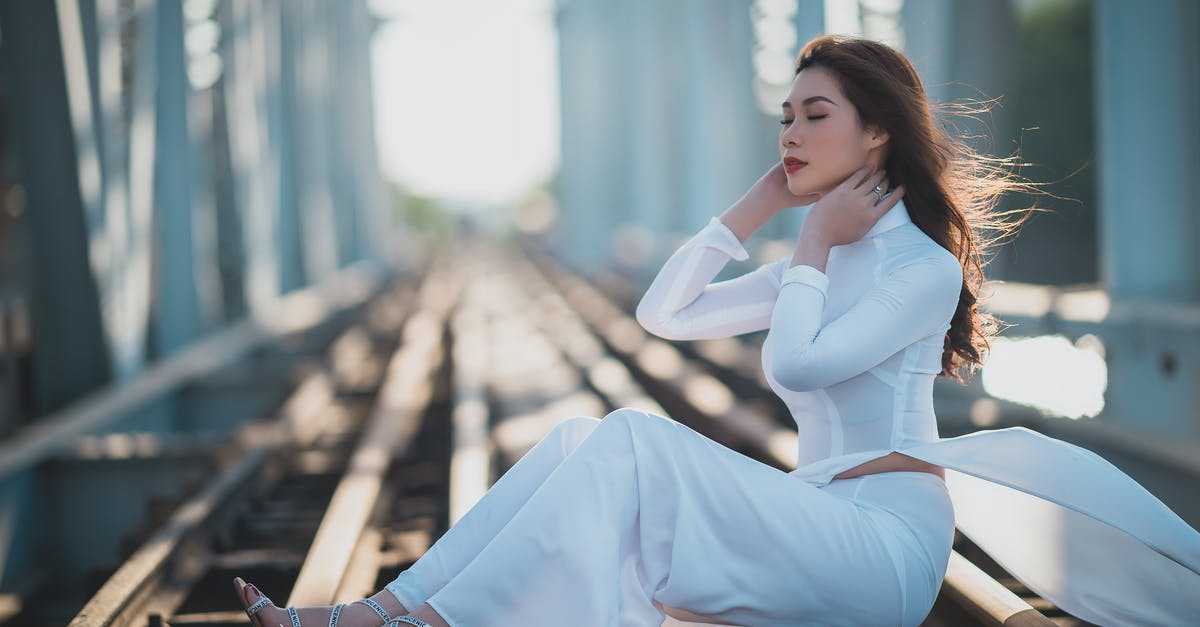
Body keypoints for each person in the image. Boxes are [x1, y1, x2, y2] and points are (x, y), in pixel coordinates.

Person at [234, 34, 1200, 627]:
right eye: (783, 115)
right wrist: (752, 210)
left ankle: (427, 625)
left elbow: (796, 356)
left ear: (875, 134)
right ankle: (384, 612)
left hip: (885, 555)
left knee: (638, 445)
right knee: (581, 438)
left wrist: (813, 240)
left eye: (814, 114)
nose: (788, 131)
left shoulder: (920, 267)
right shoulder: (821, 258)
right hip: (816, 525)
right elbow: (665, 313)